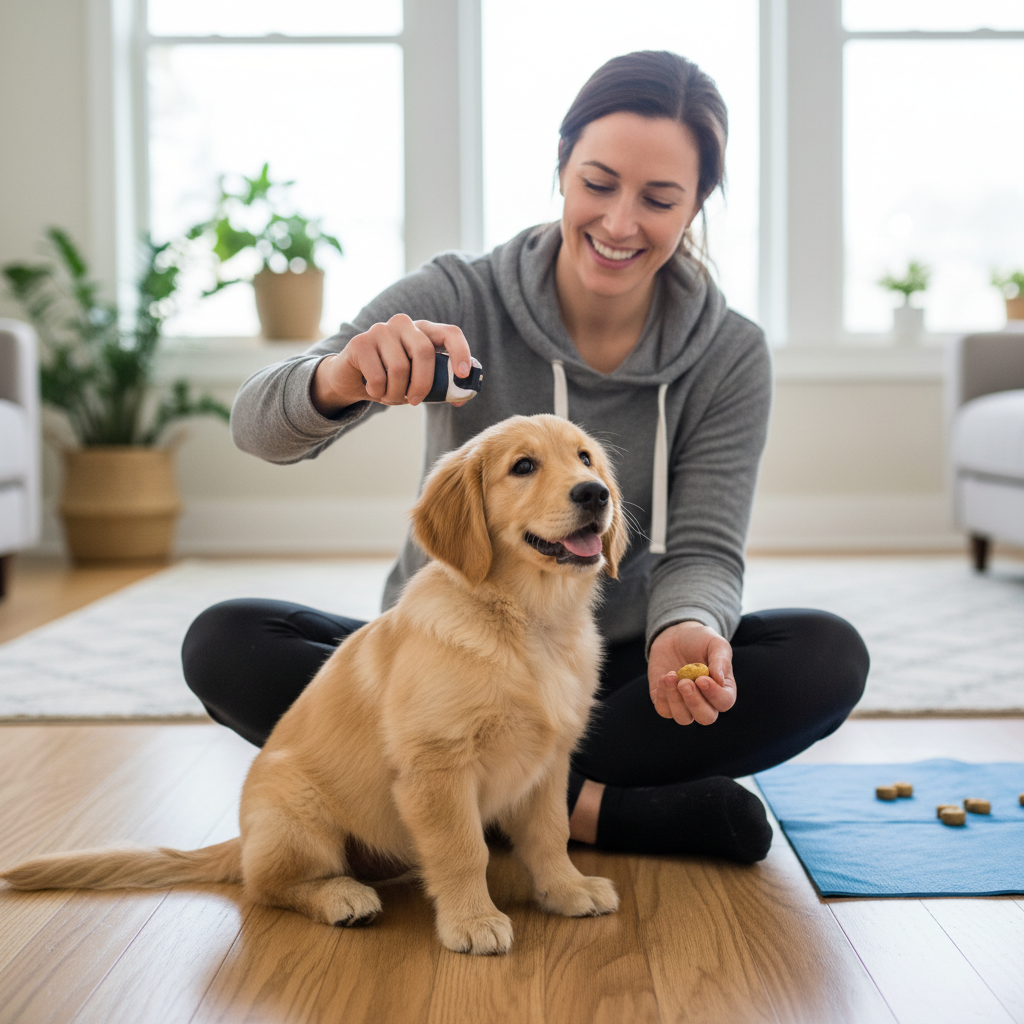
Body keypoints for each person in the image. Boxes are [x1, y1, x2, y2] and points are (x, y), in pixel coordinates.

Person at [183, 50, 869, 865]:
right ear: (561, 168)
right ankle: (595, 815)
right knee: (225, 640)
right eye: (598, 182)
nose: (619, 223)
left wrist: (686, 628)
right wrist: (340, 377)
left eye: (659, 199)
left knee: (824, 657)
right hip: (451, 671)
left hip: (613, 671)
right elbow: (259, 428)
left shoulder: (729, 354)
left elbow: (707, 549)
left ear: (697, 206)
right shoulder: (457, 296)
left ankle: (500, 806)